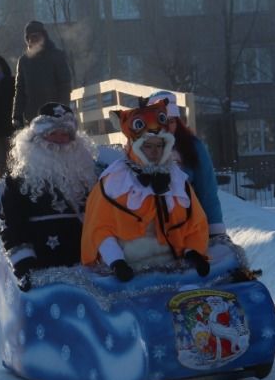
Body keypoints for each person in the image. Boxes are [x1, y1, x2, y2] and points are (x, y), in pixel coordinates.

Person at [81, 99, 209, 281]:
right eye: (147, 146)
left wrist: (193, 253)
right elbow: (100, 229)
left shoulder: (178, 181)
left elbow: (194, 223)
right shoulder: (114, 182)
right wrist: (116, 262)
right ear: (135, 146)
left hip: (172, 267)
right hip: (130, 269)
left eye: (159, 146)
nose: (154, 152)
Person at [0, 103, 95, 291]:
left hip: (88, 268)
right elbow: (12, 227)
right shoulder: (19, 182)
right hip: (44, 270)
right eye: (53, 134)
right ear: (37, 139)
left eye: (65, 135)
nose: (60, 141)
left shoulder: (89, 176)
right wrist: (25, 268)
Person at [145, 90, 226, 239]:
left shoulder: (192, 147)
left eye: (172, 121)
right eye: (162, 121)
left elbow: (207, 190)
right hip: (150, 229)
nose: (168, 127)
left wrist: (215, 231)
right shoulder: (140, 149)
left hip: (189, 224)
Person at [11, 20, 72, 130]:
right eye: (30, 37)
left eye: (37, 36)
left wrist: (62, 109)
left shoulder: (56, 56)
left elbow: (64, 85)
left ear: (44, 36)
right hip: (32, 118)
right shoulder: (24, 61)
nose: (34, 40)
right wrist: (17, 115)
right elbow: (19, 90)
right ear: (27, 39)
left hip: (54, 115)